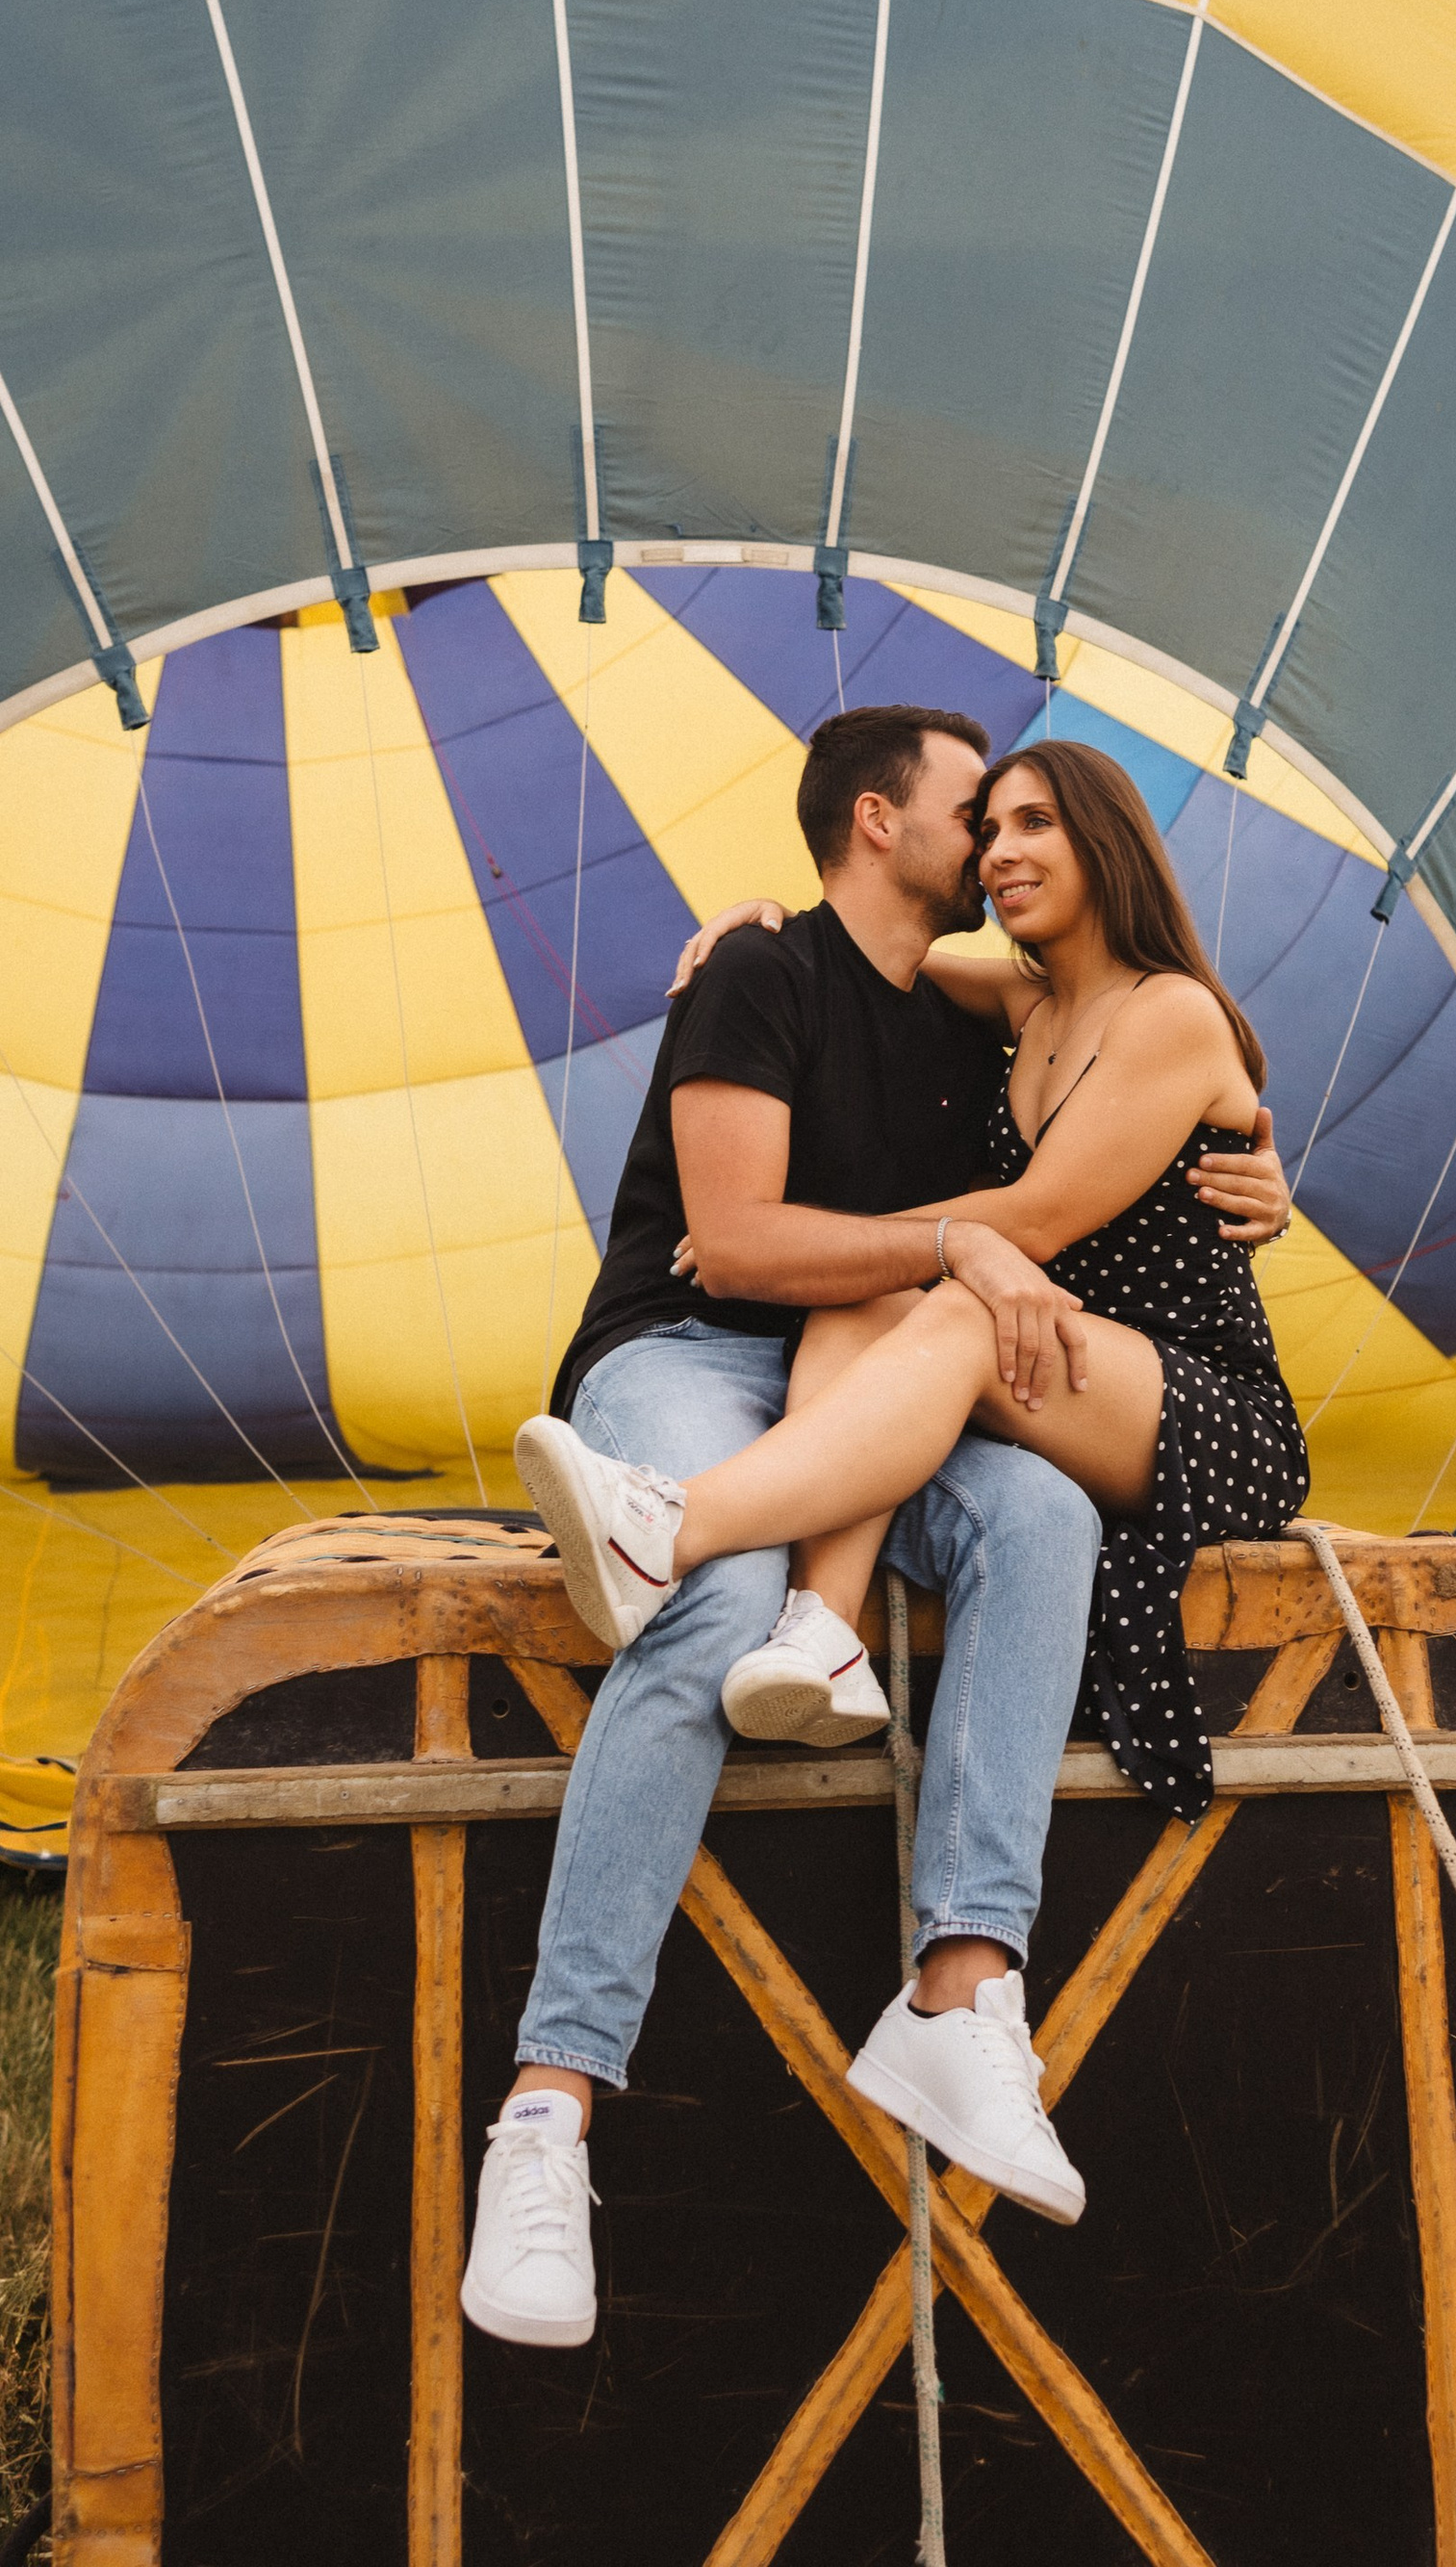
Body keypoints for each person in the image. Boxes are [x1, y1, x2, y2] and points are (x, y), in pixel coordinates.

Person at [462, 705, 1291, 2349]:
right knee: (711, 1603)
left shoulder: (985, 1015)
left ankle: (965, 1990)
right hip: (694, 1355)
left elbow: (1132, 1122)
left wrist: (1267, 1164)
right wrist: (953, 1242)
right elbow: (737, 1246)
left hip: (893, 1380)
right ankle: (549, 2111)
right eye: (978, 813)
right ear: (875, 821)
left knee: (1041, 1514)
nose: (994, 846)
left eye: (1026, 821)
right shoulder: (762, 977)